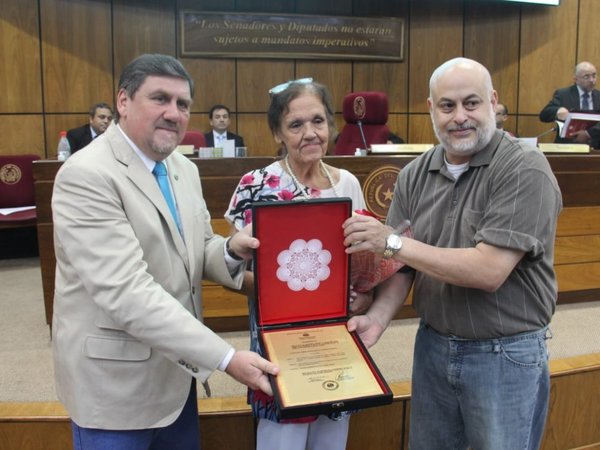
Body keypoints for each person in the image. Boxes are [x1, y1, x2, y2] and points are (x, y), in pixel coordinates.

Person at [51, 53, 278, 450]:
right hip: (114, 391)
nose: (174, 113)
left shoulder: (182, 168)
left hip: (176, 378)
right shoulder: (86, 175)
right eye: (160, 98)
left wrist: (230, 248)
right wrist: (226, 357)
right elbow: (127, 292)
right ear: (123, 101)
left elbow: (197, 246)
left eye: (183, 104)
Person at [343, 57, 562, 450]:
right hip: (433, 346)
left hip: (504, 355)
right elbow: (402, 266)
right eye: (447, 106)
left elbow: (488, 270)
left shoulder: (524, 168)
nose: (460, 116)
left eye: (471, 103)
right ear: (431, 109)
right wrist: (378, 316)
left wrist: (392, 241)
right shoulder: (413, 174)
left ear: (493, 102)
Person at [225, 79, 369, 450]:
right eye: (296, 125)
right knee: (282, 438)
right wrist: (286, 297)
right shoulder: (255, 185)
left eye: (318, 121)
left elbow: (359, 261)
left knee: (330, 438)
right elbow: (235, 271)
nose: (310, 133)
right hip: (278, 340)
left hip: (335, 340)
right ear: (277, 131)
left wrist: (363, 297)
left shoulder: (347, 184)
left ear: (331, 126)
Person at [539, 61, 600, 147]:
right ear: (576, 79)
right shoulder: (563, 94)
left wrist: (588, 134)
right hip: (567, 147)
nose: (591, 80)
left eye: (594, 75)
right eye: (586, 76)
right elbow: (544, 115)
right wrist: (557, 111)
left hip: (595, 148)